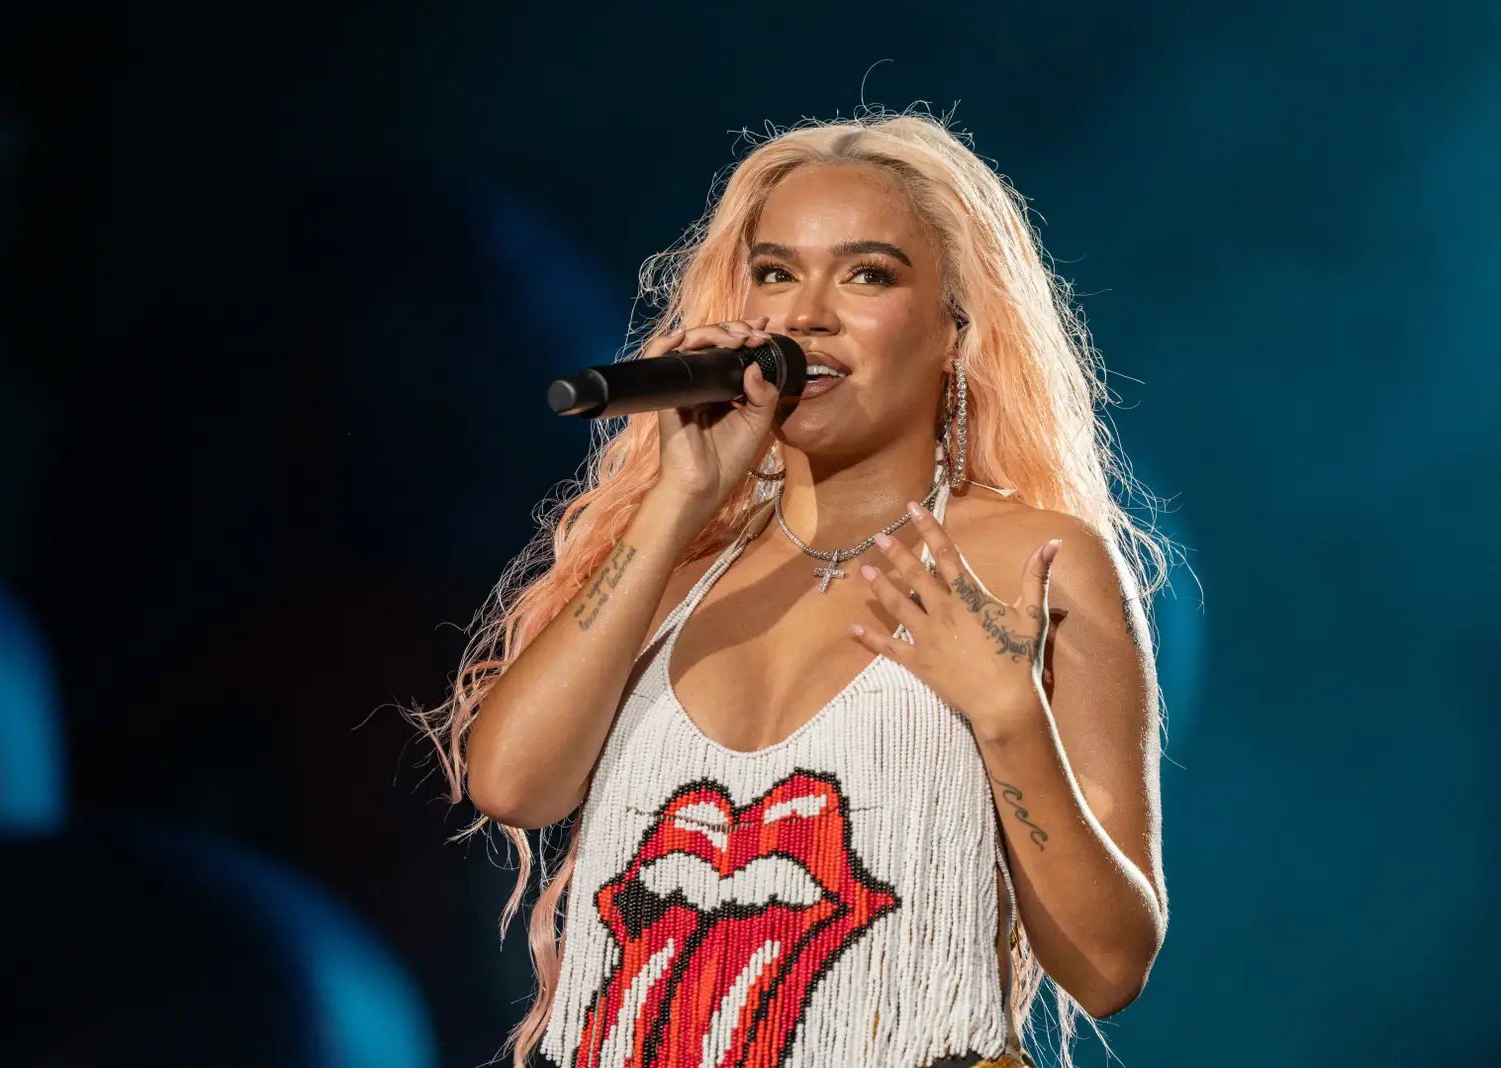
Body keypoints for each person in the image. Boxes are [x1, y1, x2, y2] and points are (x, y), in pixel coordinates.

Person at [412, 108, 1173, 1068]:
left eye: (867, 275)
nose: (804, 314)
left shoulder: (1034, 562)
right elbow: (513, 785)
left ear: (955, 328)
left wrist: (1008, 717)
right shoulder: (678, 569)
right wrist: (679, 498)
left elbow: (1109, 967)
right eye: (775, 272)